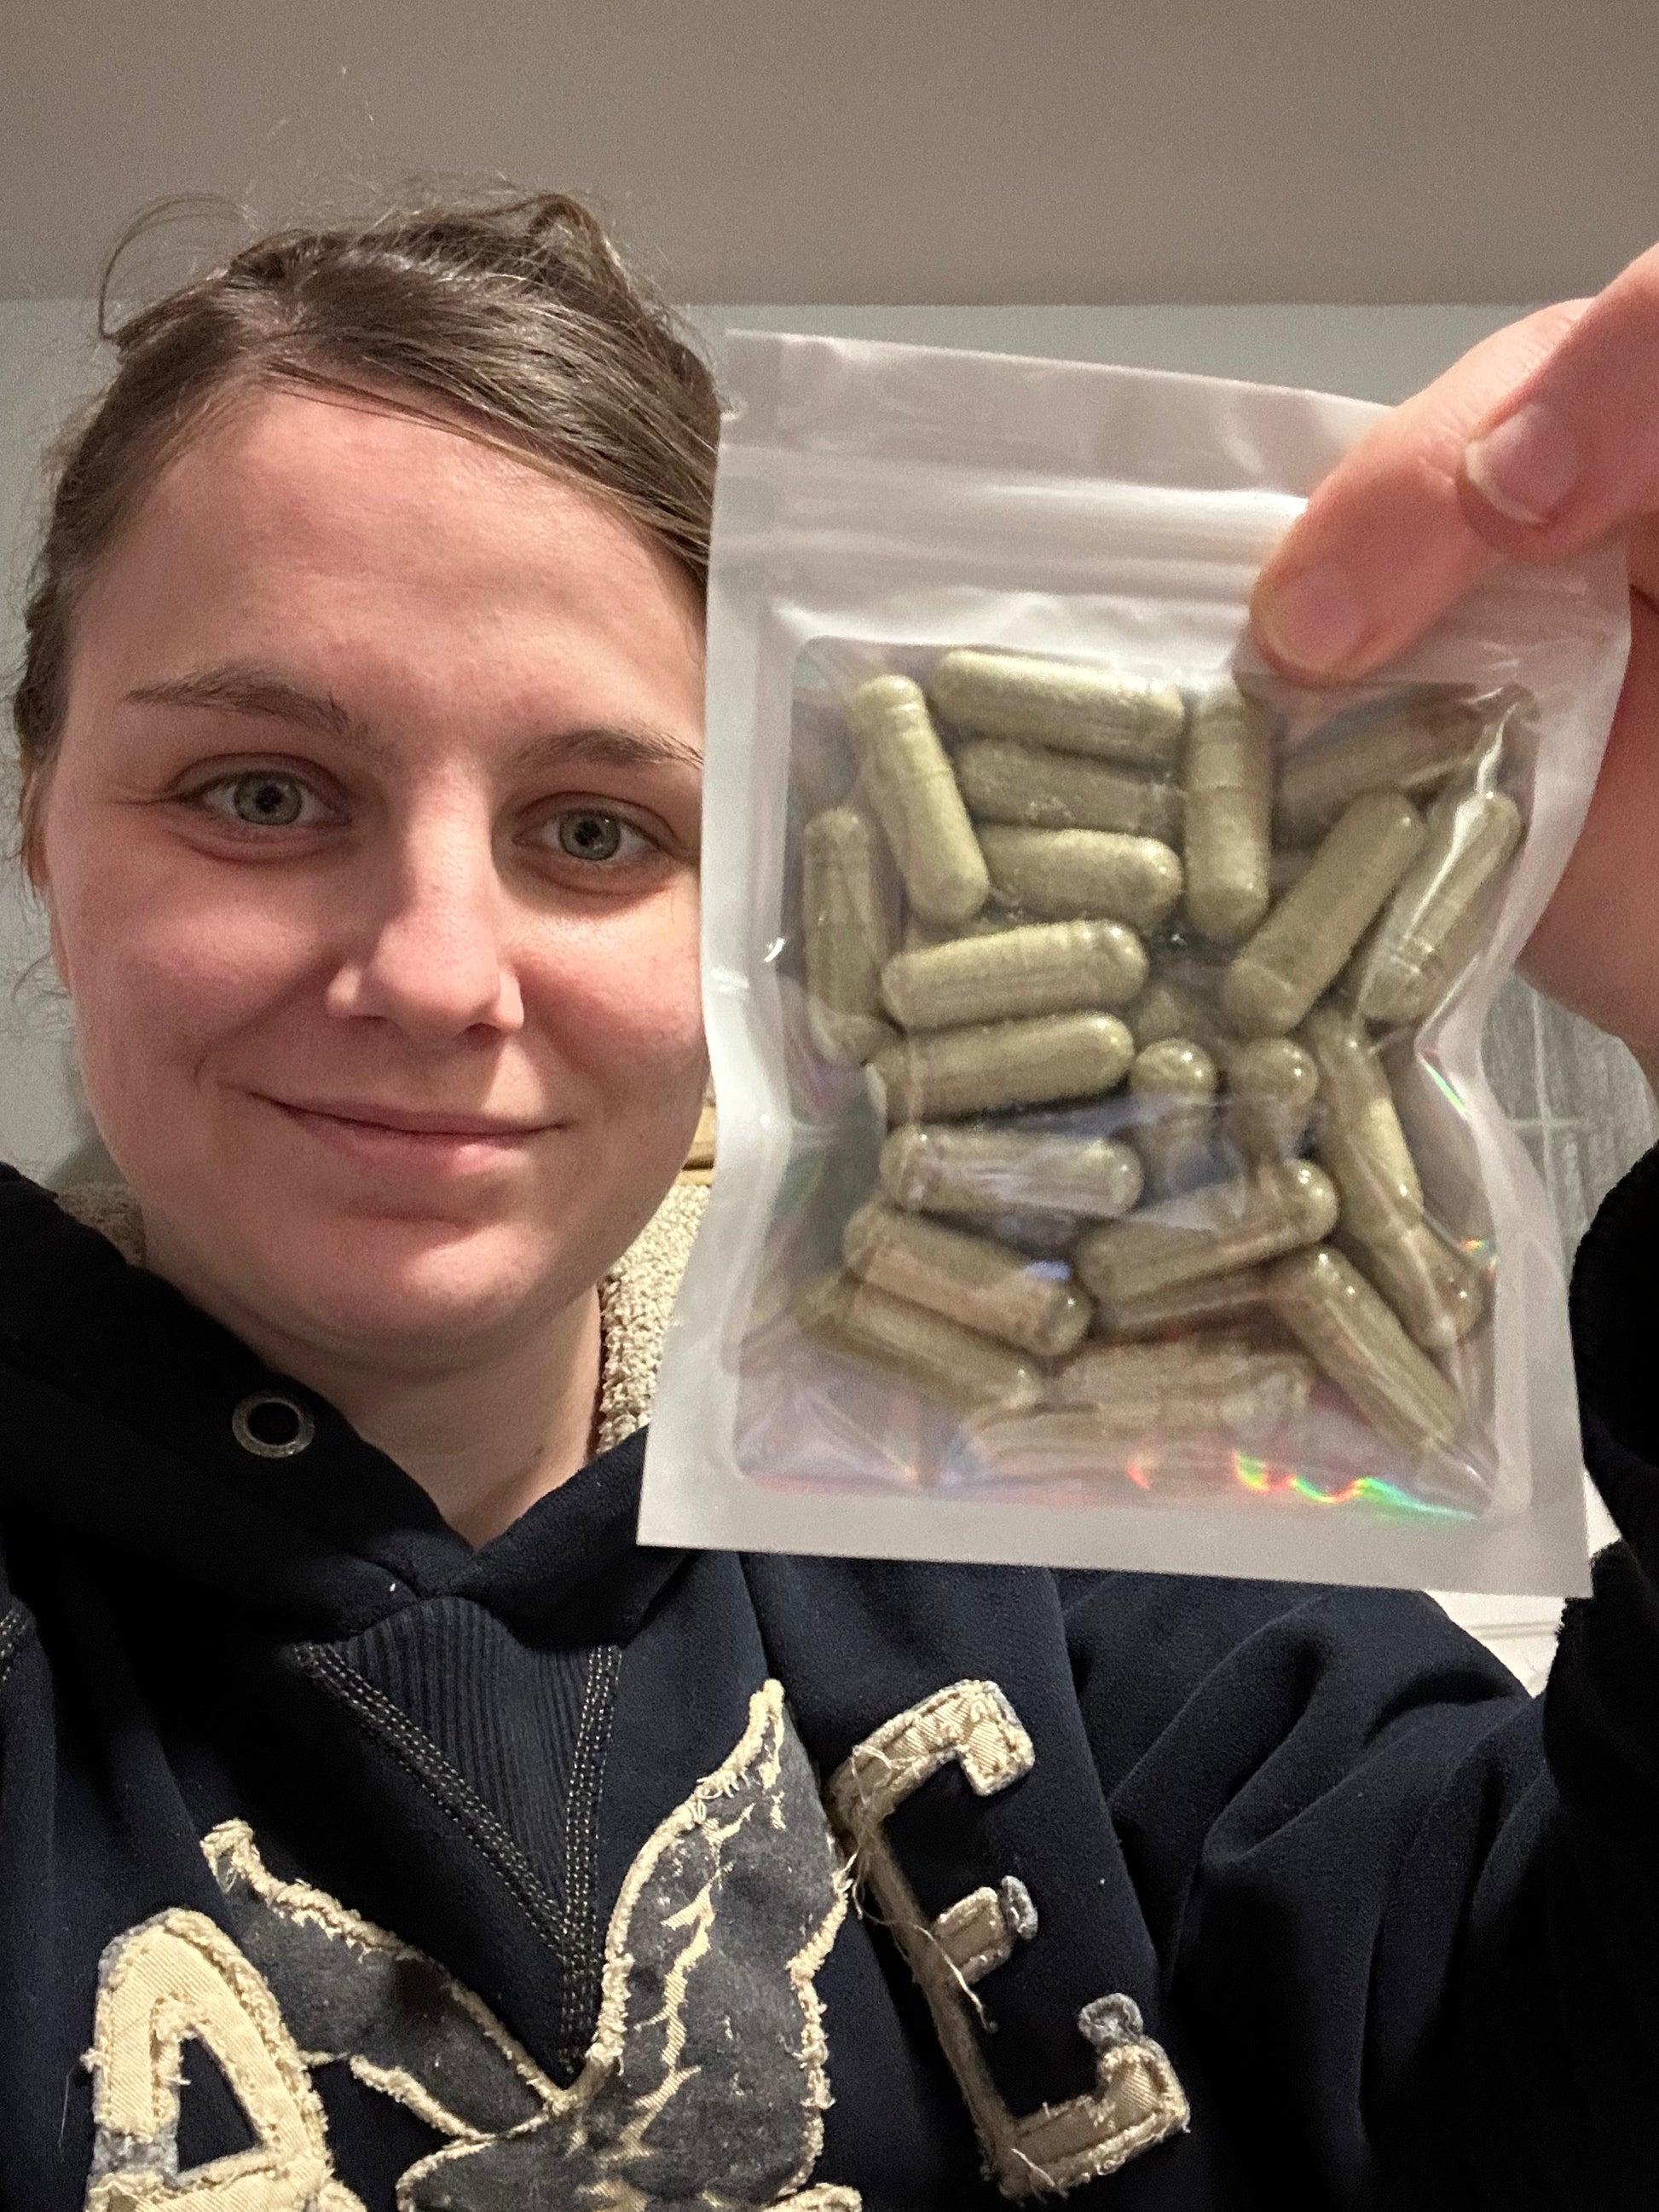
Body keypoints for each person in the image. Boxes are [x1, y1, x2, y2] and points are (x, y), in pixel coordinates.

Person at [0, 189, 1655, 2212]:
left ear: (758, 892)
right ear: (38, 818)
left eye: (595, 829)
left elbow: (1574, 2073)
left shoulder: (1064, 1489)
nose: (434, 973)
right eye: (260, 792)